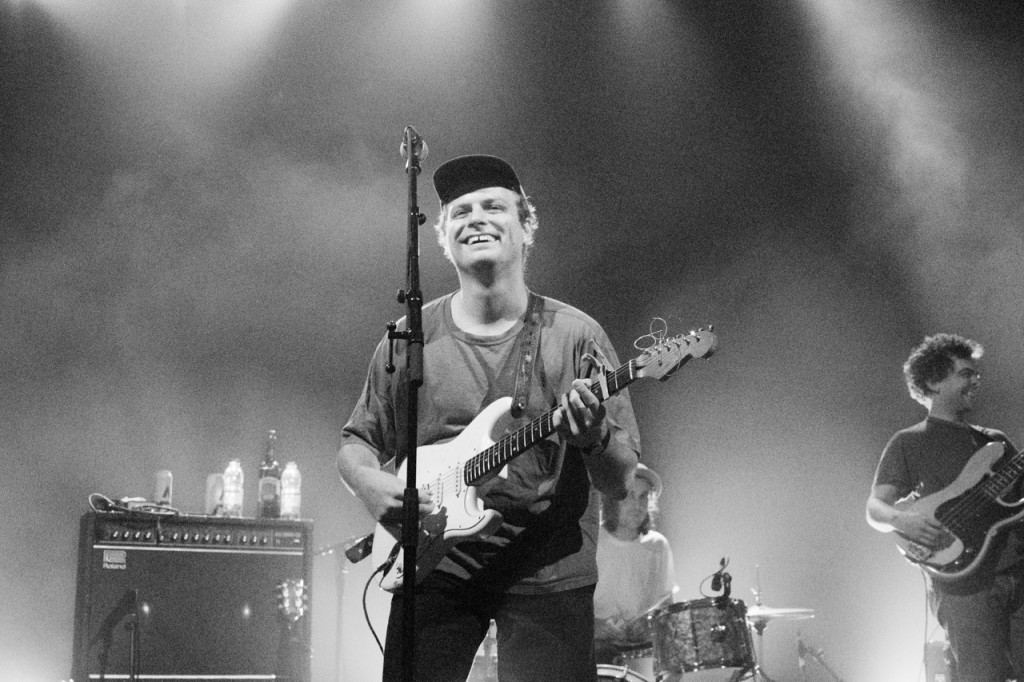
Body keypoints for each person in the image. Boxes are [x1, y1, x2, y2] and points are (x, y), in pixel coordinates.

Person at [337, 154, 642, 682]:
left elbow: (620, 480)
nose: (475, 218)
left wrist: (593, 438)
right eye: (461, 212)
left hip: (549, 571)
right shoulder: (409, 339)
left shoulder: (576, 336)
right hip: (436, 565)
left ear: (526, 227)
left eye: (493, 207)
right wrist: (368, 483)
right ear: (444, 237)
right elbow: (356, 443)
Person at [866, 333, 1024, 682]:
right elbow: (875, 508)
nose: (975, 380)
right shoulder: (909, 442)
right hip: (967, 588)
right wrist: (902, 521)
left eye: (975, 373)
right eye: (965, 373)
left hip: (1018, 574)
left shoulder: (995, 441)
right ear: (933, 382)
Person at [593, 463, 677, 668]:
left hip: (645, 653)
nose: (637, 505)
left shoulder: (658, 545)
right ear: (610, 500)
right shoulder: (591, 542)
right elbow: (569, 606)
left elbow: (667, 606)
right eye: (629, 496)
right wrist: (595, 625)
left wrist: (648, 623)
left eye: (643, 497)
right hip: (597, 651)